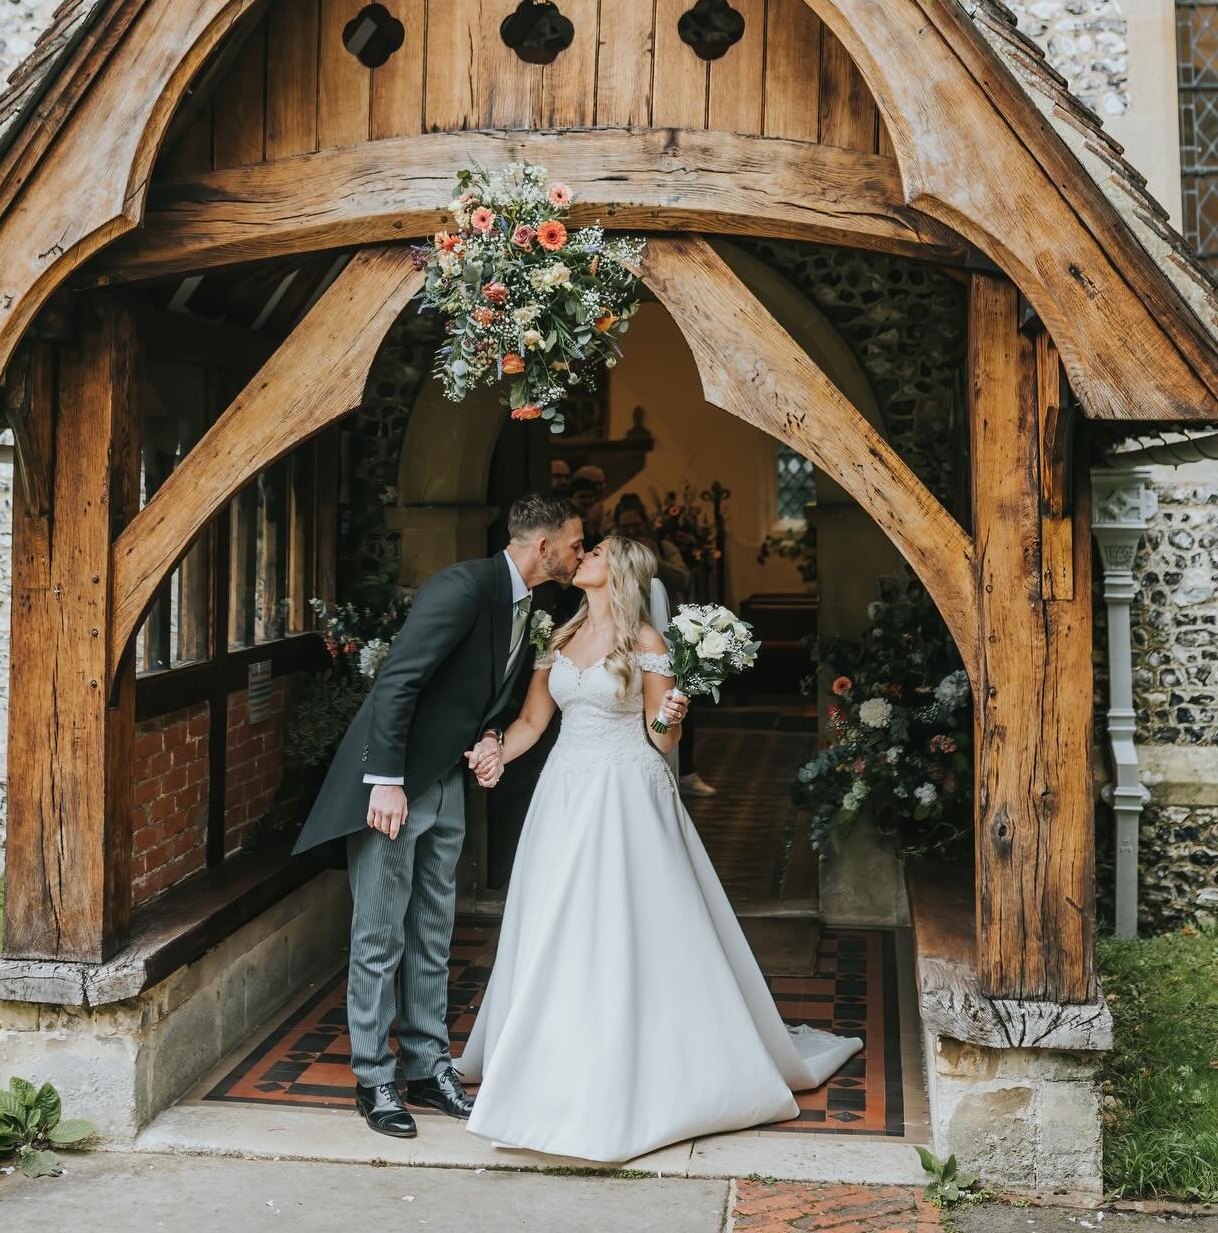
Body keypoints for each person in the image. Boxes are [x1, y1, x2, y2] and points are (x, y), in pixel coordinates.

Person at [455, 532, 861, 1165]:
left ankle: (637, 1061)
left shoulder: (646, 642)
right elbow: (533, 722)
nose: (582, 554)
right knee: (554, 921)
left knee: (622, 926)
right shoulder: (555, 638)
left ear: (618, 569)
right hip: (564, 792)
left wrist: (673, 713)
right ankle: (548, 1054)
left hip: (624, 795)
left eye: (594, 551)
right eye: (583, 548)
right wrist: (494, 753)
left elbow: (660, 738)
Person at [293, 492, 584, 1140]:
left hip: (447, 780)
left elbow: (471, 693)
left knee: (432, 932)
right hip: (394, 788)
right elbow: (398, 681)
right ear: (544, 547)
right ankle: (374, 1078)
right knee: (379, 935)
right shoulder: (461, 587)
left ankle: (428, 1066)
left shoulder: (528, 604)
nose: (579, 552)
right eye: (575, 541)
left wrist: (487, 740)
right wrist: (387, 782)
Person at [612, 493, 716, 798]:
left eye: (635, 524)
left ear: (644, 522)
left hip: (667, 630)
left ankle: (685, 771)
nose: (630, 530)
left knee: (675, 700)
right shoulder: (612, 555)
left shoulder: (665, 547)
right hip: (625, 634)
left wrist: (648, 556)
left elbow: (683, 577)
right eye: (624, 525)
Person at [567, 462, 607, 549]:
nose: (587, 501)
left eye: (590, 496)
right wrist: (591, 528)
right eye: (582, 497)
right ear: (571, 499)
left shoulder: (601, 514)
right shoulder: (567, 519)